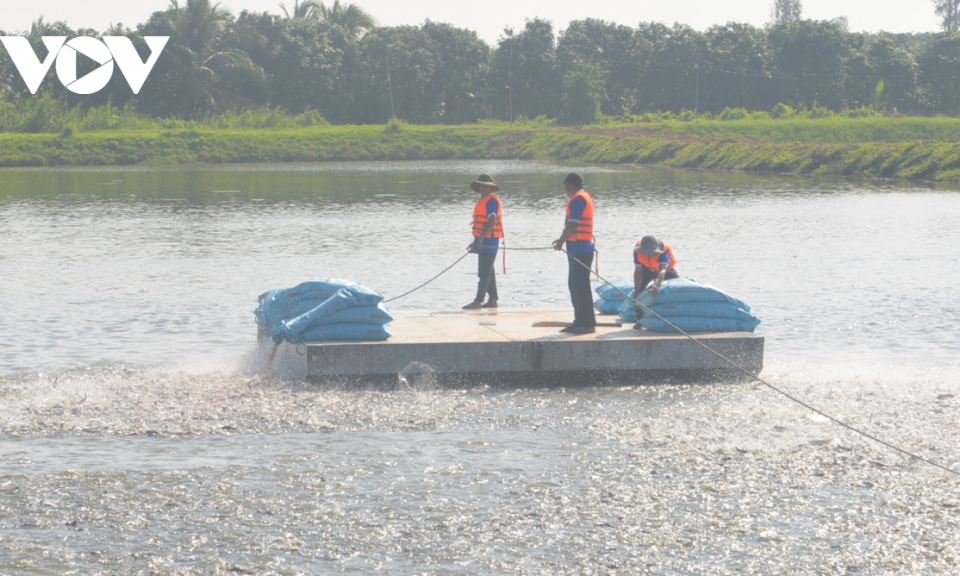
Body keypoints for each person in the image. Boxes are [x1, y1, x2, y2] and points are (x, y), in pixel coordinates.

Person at [552, 173, 596, 333]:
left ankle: (588, 324)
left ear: (570, 185)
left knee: (581, 288)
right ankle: (579, 322)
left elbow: (572, 224)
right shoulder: (583, 197)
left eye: (565, 186)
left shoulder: (578, 199)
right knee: (574, 286)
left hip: (581, 249)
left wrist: (561, 241)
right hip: (577, 248)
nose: (565, 189)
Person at [463, 174, 503, 309]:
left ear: (491, 188)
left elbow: (491, 220)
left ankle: (478, 301)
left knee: (484, 272)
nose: (484, 188)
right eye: (482, 186)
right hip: (483, 240)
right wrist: (475, 242)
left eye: (487, 186)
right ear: (479, 187)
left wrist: (481, 238)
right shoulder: (483, 201)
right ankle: (493, 300)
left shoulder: (492, 201)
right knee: (489, 271)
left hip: (489, 241)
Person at [632, 235, 679, 329]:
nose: (648, 255)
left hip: (666, 271)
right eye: (646, 253)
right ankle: (640, 320)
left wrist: (656, 284)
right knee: (638, 295)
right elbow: (638, 271)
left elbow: (662, 271)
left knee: (675, 292)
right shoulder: (637, 253)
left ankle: (672, 319)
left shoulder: (663, 253)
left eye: (651, 253)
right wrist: (637, 292)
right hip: (647, 271)